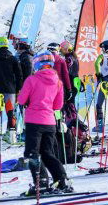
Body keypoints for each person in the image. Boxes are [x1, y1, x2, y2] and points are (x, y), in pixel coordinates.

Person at [17, 51, 71, 194]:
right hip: (50, 122)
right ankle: (62, 180)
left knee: (31, 153)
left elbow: (21, 100)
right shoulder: (58, 82)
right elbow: (57, 105)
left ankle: (41, 182)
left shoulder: (32, 79)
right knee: (47, 153)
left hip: (34, 121)